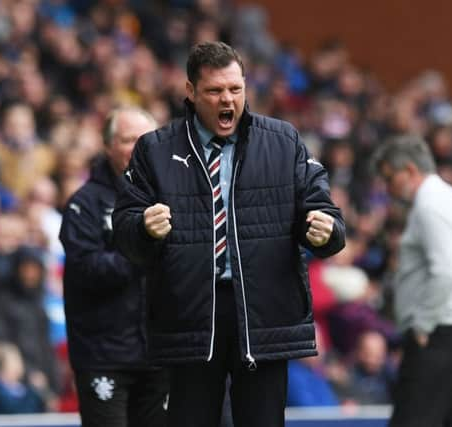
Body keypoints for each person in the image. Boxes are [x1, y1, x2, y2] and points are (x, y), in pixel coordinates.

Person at [112, 41, 345, 427]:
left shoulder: (283, 142)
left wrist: (326, 232)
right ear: (190, 92)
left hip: (262, 315)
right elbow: (125, 232)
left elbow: (325, 214)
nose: (228, 100)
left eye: (235, 89)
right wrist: (141, 228)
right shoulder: (154, 150)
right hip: (189, 317)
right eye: (215, 91)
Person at [59, 107, 168, 427]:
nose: (138, 147)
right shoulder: (85, 204)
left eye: (145, 139)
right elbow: (86, 268)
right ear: (108, 147)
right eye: (128, 140)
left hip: (159, 352)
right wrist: (142, 247)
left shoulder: (171, 196)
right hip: (103, 356)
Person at [372, 135, 452, 427]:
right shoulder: (450, 198)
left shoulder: (430, 206)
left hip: (440, 334)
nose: (388, 188)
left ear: (410, 170)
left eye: (390, 178)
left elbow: (447, 271)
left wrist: (423, 325)